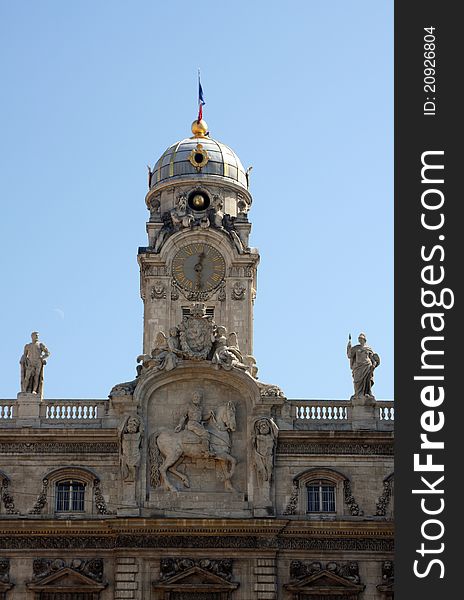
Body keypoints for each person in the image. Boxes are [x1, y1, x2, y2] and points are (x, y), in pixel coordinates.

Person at [175, 390, 214, 457]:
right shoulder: (188, 406)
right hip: (192, 423)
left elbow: (202, 418)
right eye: (195, 397)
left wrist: (209, 415)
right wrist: (180, 425)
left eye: (198, 397)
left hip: (198, 424)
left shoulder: (200, 408)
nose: (196, 398)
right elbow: (184, 416)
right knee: (205, 433)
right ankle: (206, 451)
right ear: (192, 398)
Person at [346, 333, 380, 398]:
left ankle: (367, 393)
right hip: (358, 367)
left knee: (367, 380)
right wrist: (349, 346)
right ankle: (357, 394)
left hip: (367, 365)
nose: (360, 340)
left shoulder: (368, 348)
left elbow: (372, 358)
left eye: (361, 338)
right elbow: (350, 355)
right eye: (359, 339)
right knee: (357, 381)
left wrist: (374, 364)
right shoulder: (356, 348)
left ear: (364, 340)